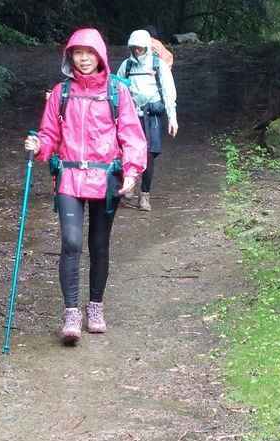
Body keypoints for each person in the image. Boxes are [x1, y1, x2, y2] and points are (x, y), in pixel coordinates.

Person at [24, 28, 147, 344]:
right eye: (78, 53)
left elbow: (132, 136)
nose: (84, 58)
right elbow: (50, 135)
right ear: (70, 57)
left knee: (99, 244)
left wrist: (132, 171)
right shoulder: (61, 93)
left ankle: (95, 307)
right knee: (71, 242)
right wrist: (39, 147)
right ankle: (71, 314)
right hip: (69, 177)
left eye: (89, 53)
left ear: (100, 56)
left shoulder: (117, 92)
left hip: (107, 178)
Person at [117, 29, 178, 211]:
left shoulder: (159, 65)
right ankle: (130, 183)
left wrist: (172, 118)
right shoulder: (126, 66)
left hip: (152, 116)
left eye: (141, 48)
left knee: (149, 155)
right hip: (131, 116)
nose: (137, 51)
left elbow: (168, 91)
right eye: (134, 47)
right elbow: (117, 89)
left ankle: (145, 195)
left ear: (147, 47)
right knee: (127, 150)